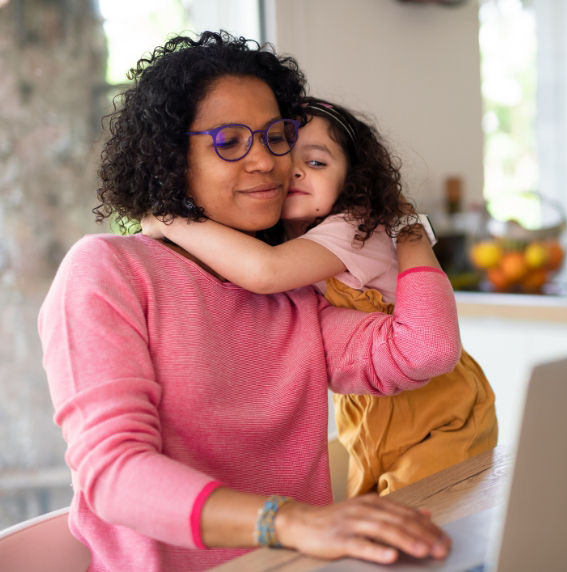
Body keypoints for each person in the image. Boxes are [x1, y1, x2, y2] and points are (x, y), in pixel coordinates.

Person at [37, 31, 460, 572]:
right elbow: (115, 475)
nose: (266, 161)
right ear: (171, 157)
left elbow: (424, 350)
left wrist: (406, 224)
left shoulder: (294, 290)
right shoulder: (108, 270)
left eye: (275, 136)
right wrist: (291, 521)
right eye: (230, 141)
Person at [141, 96, 499, 498]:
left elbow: (265, 272)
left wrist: (171, 219)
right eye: (284, 157)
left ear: (352, 181)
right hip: (372, 414)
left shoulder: (354, 227)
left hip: (440, 414)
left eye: (316, 163)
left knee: (412, 533)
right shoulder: (300, 240)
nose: (293, 171)